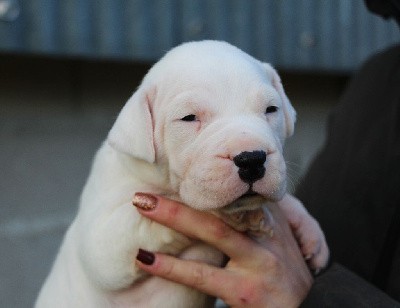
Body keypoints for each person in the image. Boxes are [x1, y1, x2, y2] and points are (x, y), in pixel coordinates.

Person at [134, 1, 400, 306]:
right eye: (192, 117)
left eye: (269, 110)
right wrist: (284, 211)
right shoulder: (377, 78)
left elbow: (293, 280)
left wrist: (311, 296)